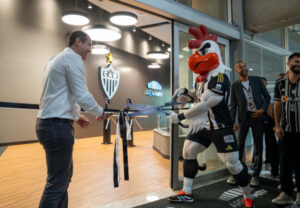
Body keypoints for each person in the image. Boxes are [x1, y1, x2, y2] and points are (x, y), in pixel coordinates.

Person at [167, 25, 255, 208]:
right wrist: (182, 95)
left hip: (222, 127)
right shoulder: (202, 80)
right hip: (203, 126)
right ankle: (187, 192)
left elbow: (206, 104)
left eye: (203, 51)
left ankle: (248, 196)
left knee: (233, 165)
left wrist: (181, 116)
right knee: (188, 151)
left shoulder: (221, 78)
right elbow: (195, 96)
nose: (198, 56)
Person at [35, 30, 105, 208]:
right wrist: (99, 111)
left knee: (63, 179)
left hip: (48, 124)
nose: (90, 50)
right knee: (57, 183)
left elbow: (58, 95)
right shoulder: (73, 58)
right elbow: (81, 94)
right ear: (78, 42)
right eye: (88, 44)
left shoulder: (55, 59)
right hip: (56, 127)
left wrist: (76, 115)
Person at [227, 61, 270, 187]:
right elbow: (233, 105)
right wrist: (233, 121)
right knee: (239, 145)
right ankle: (238, 173)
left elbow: (267, 97)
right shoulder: (234, 85)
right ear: (237, 70)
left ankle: (255, 175)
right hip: (244, 118)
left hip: (258, 116)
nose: (244, 68)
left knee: (258, 146)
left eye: (245, 66)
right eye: (241, 67)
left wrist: (262, 110)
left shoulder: (256, 80)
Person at [272, 52, 300, 206]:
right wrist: (277, 125)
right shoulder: (280, 83)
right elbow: (277, 104)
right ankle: (286, 193)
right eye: (296, 61)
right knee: (285, 162)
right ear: (288, 63)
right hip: (285, 130)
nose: (299, 64)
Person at [260, 77, 279, 179]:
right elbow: (271, 109)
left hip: (279, 123)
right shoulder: (270, 95)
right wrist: (277, 124)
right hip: (269, 122)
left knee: (274, 145)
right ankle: (273, 169)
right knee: (270, 143)